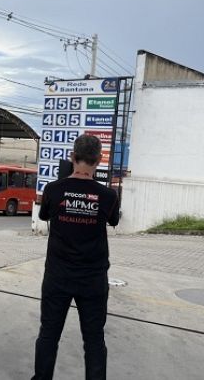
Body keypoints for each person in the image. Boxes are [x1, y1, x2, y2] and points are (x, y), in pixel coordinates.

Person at [32, 135, 120, 380]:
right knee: (94, 340)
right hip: (93, 279)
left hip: (57, 276)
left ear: (72, 156)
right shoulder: (108, 196)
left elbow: (44, 216)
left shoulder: (53, 189)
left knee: (49, 334)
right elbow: (114, 220)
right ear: (99, 160)